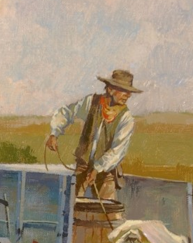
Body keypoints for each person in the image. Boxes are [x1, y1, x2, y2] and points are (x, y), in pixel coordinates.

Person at [45, 69, 141, 200]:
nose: (128, 95)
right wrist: (54, 134)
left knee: (108, 211)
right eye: (124, 90)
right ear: (111, 89)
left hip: (106, 171)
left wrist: (97, 168)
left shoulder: (126, 118)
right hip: (83, 166)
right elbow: (67, 112)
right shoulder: (91, 102)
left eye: (129, 92)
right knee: (73, 207)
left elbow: (117, 150)